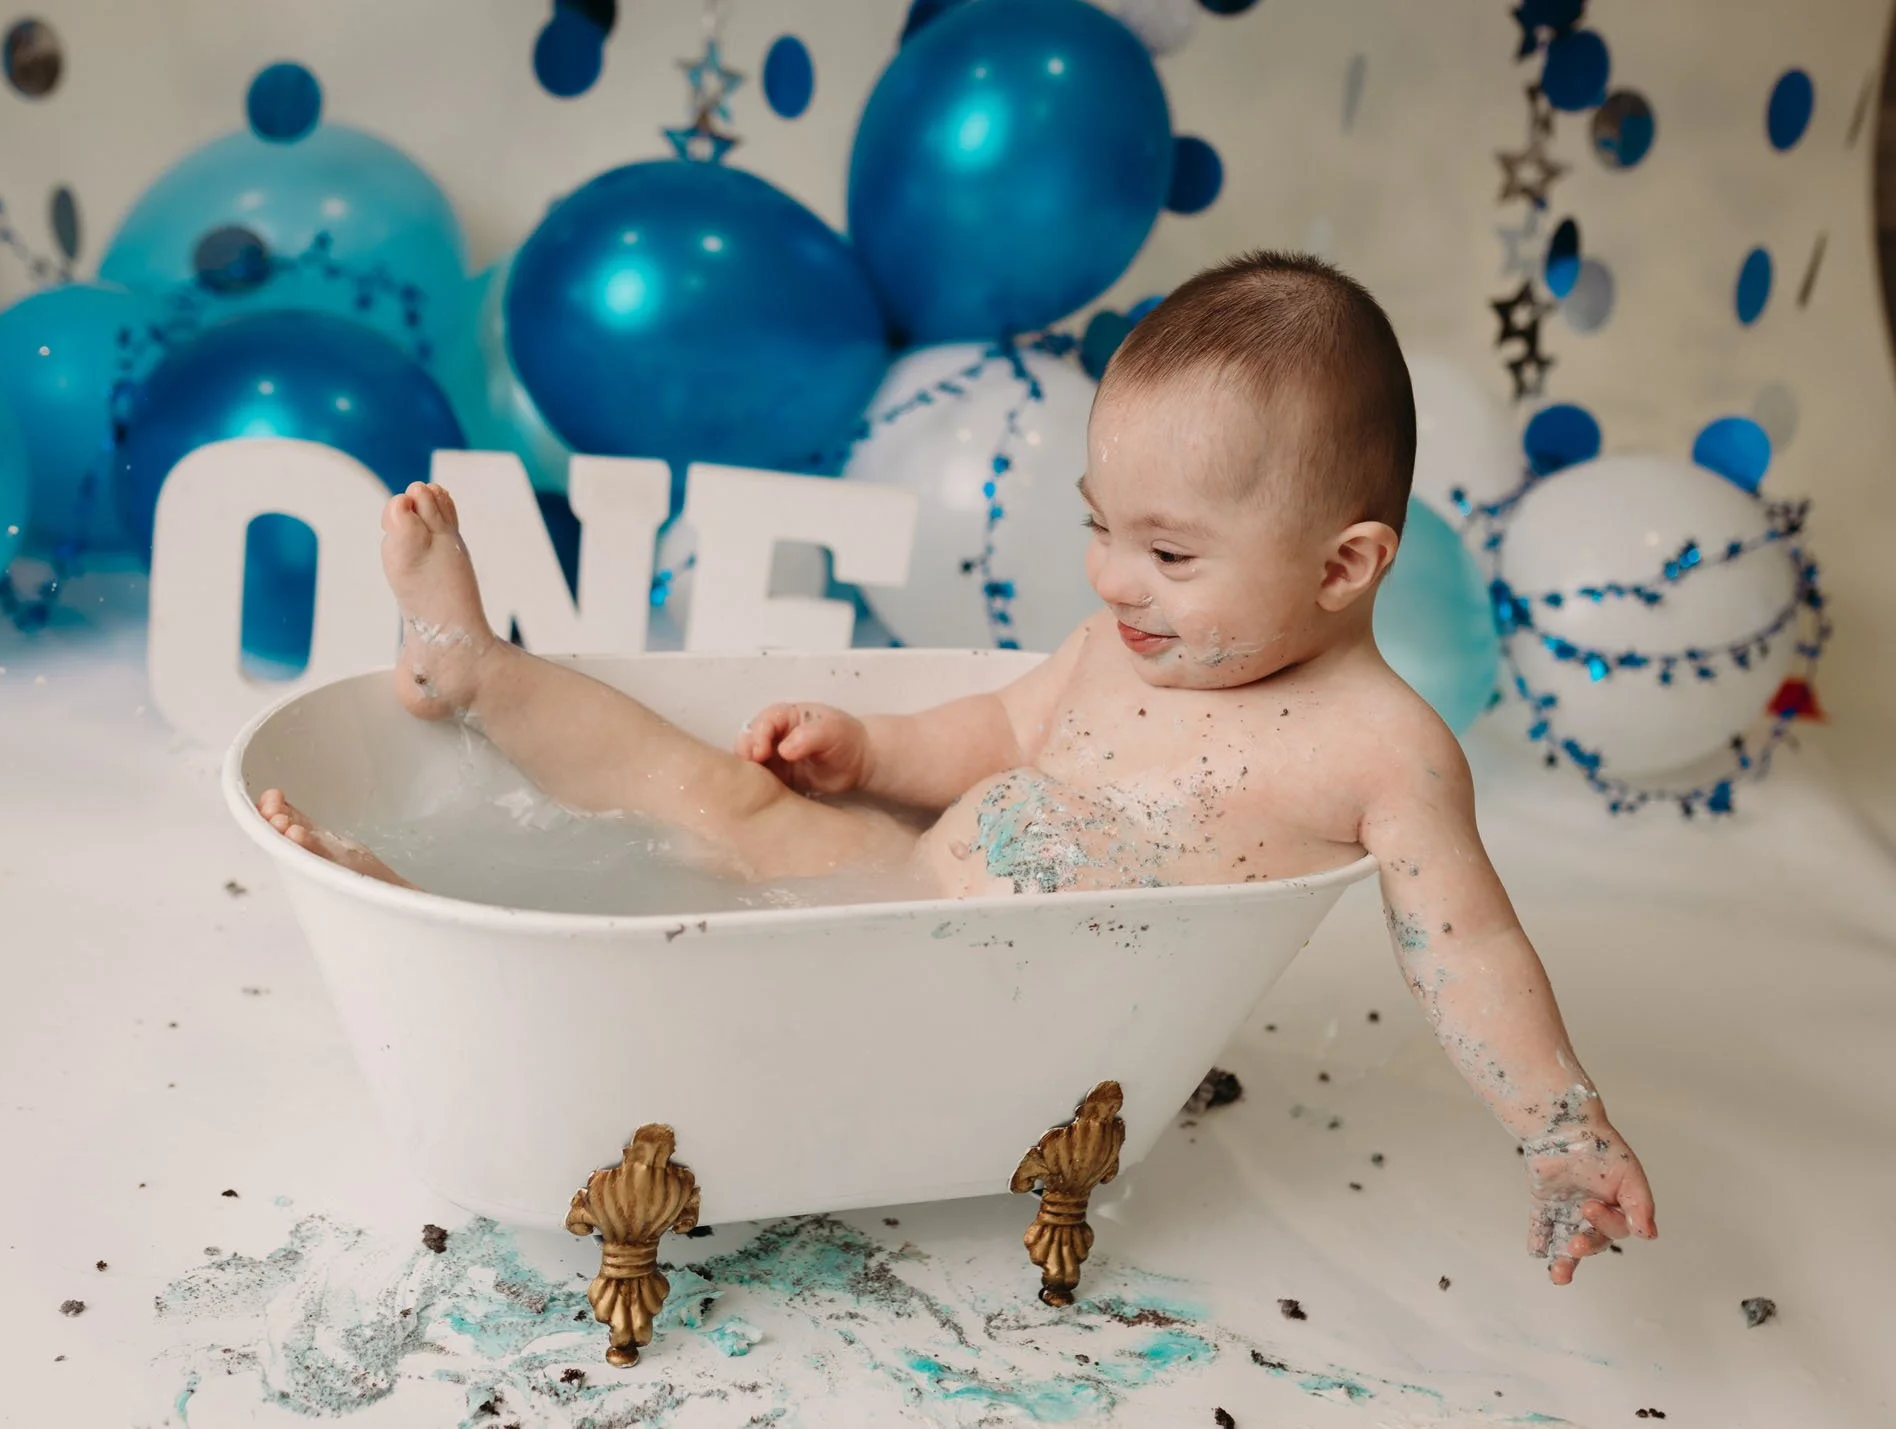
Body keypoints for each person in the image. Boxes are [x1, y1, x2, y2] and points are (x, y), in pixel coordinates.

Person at [258, 251, 1657, 1284]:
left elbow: (1467, 947)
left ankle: (449, 919)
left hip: (967, 1009)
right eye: (1100, 526)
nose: (1114, 580)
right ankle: (474, 670)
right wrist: (874, 747)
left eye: (1170, 552)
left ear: (1346, 566)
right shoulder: (1125, 645)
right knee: (711, 795)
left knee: (663, 970)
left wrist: (1561, 1128)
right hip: (901, 882)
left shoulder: (1382, 750)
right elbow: (997, 731)